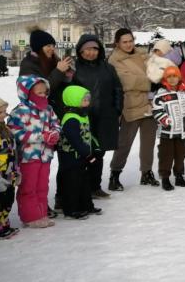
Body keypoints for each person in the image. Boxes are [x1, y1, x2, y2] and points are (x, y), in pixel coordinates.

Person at [71, 34, 123, 199]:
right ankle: (81, 188)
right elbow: (67, 93)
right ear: (80, 51)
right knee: (83, 153)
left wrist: (117, 110)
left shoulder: (108, 68)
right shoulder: (73, 68)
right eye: (87, 49)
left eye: (94, 49)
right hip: (83, 118)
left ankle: (95, 186)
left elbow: (118, 90)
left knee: (99, 153)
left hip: (105, 117)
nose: (91, 52)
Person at [108, 29, 159, 189]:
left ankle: (146, 172)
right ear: (117, 43)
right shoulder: (114, 60)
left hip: (149, 104)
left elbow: (156, 69)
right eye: (125, 42)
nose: (129, 44)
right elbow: (126, 81)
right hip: (130, 105)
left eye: (131, 40)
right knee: (124, 143)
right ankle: (114, 174)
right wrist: (150, 82)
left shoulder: (142, 54)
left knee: (148, 142)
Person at [8, 76, 61, 229]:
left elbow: (56, 124)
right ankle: (30, 216)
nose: (43, 96)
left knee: (43, 185)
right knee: (28, 187)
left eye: (45, 93)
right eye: (39, 93)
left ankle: (41, 213)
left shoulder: (48, 109)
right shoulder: (19, 111)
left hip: (45, 156)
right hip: (28, 157)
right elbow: (15, 132)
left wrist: (55, 134)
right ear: (27, 93)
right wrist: (40, 137)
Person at [56, 86, 102, 220]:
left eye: (88, 99)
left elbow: (88, 134)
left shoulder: (82, 115)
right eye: (84, 100)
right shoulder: (71, 119)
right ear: (74, 100)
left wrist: (96, 147)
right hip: (70, 157)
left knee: (84, 181)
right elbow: (75, 140)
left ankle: (86, 205)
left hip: (82, 156)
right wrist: (88, 155)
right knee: (72, 183)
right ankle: (71, 210)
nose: (88, 102)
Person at [152, 66, 185, 192]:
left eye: (174, 76)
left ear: (179, 77)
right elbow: (156, 110)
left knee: (180, 154)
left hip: (182, 130)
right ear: (165, 78)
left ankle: (179, 175)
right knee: (166, 155)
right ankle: (165, 177)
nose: (172, 79)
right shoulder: (161, 94)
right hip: (167, 131)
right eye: (169, 76)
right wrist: (165, 120)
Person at [0, 97, 20, 239]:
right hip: (0, 173)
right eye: (0, 112)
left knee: (8, 198)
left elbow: (13, 149)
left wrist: (16, 169)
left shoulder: (5, 128)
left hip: (10, 170)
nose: (3, 114)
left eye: (4, 111)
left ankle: (4, 223)